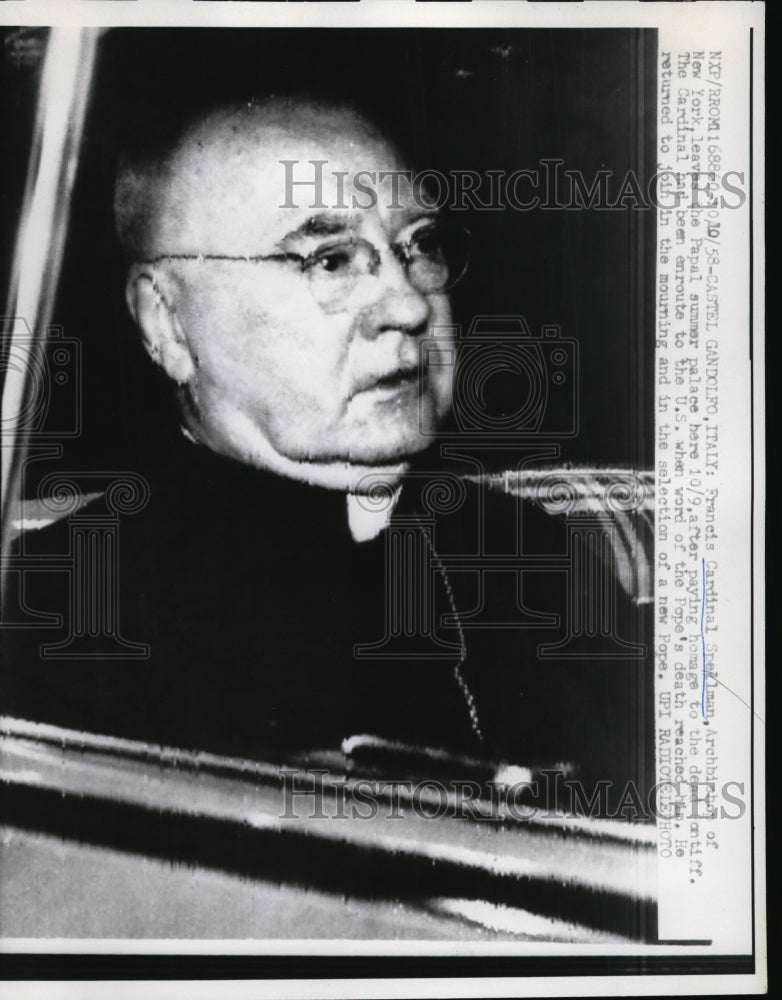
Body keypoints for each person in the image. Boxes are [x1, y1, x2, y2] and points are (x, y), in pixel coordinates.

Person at [2, 95, 653, 803]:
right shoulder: (54, 614)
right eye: (331, 259)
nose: (407, 305)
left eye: (420, 246)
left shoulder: (528, 548)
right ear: (168, 321)